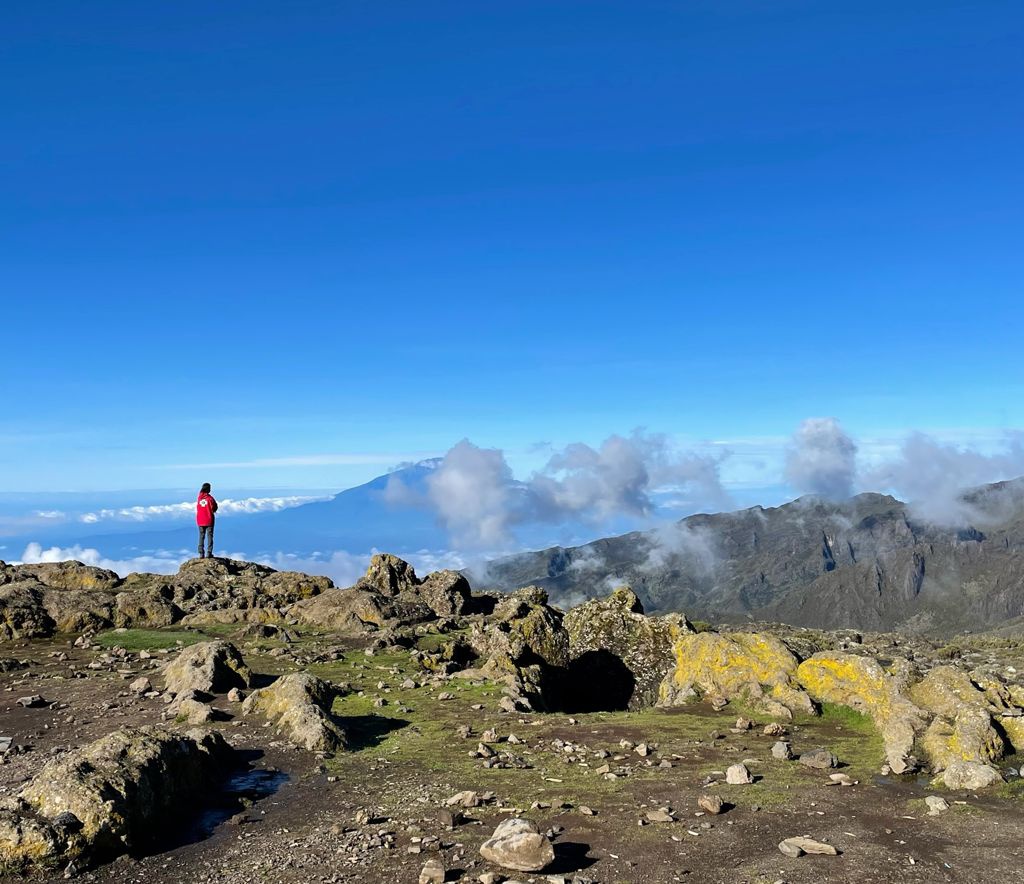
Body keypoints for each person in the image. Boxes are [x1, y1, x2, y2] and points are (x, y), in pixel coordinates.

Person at [196, 482, 218, 558]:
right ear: (208, 489)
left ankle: (201, 553)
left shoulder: (199, 497)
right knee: (210, 536)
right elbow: (214, 507)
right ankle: (209, 553)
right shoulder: (210, 498)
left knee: (201, 536)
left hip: (200, 520)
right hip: (209, 520)